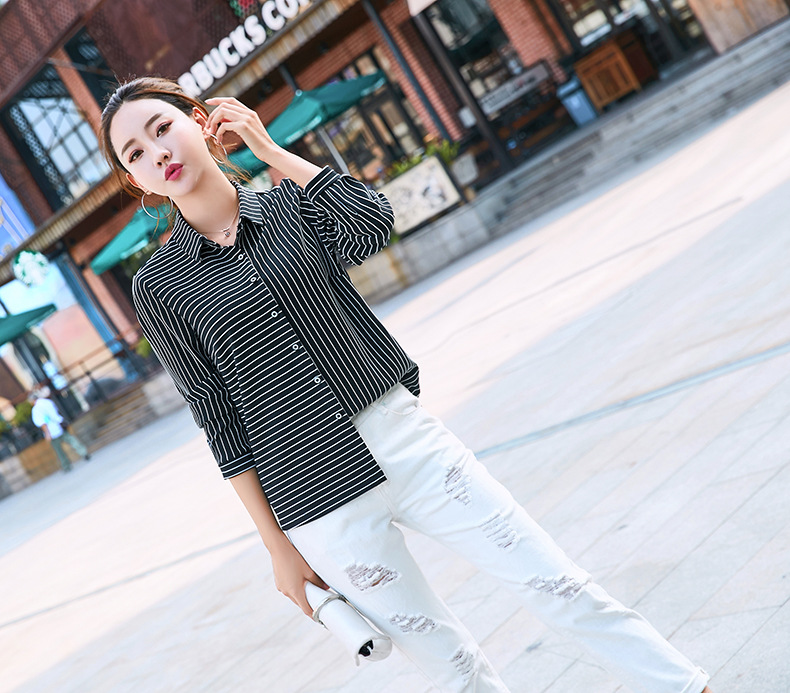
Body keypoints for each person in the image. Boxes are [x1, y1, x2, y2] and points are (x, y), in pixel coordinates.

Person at [100, 77, 712, 693]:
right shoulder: (158, 285)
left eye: (162, 127)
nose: (157, 152)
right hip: (312, 497)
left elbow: (373, 225)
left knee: (558, 585)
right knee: (454, 669)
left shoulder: (288, 206)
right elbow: (218, 419)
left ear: (201, 119)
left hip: (404, 439)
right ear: (135, 180)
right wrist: (277, 548)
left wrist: (272, 151)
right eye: (135, 153)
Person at [30, 386, 90, 472]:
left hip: (51, 431)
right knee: (71, 440)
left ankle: (66, 465)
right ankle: (83, 452)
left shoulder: (36, 409)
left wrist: (47, 433)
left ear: (33, 400)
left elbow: (42, 422)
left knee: (59, 450)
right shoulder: (48, 402)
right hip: (60, 425)